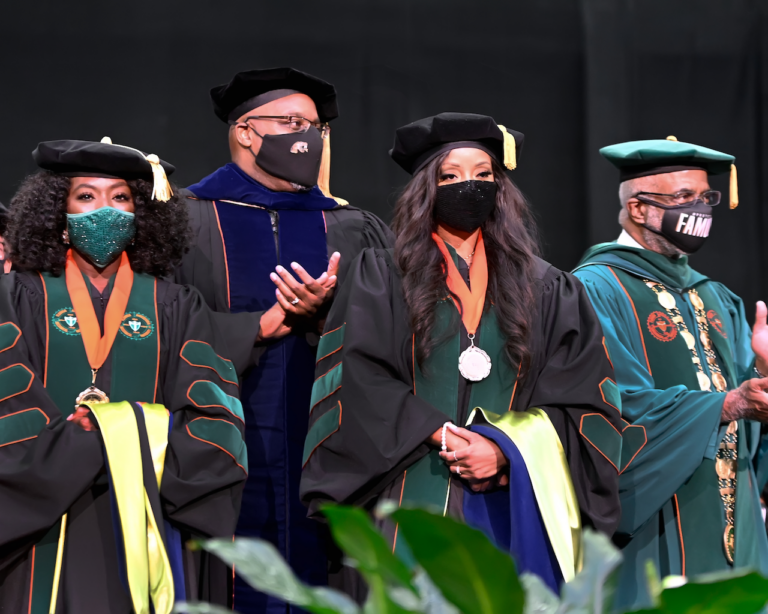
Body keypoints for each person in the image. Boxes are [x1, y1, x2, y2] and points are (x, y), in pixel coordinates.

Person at [300, 113, 623, 598]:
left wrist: (503, 451)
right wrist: (442, 432)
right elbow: (357, 375)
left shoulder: (549, 287)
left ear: (500, 186)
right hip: (407, 486)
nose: (467, 186)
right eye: (449, 176)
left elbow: (584, 400)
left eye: (482, 174)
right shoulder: (381, 275)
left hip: (513, 495)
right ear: (426, 189)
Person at [0, 138, 257, 613]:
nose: (106, 210)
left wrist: (130, 438)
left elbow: (214, 415)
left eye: (121, 198)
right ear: (58, 211)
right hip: (41, 519)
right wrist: (72, 445)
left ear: (143, 215)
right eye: (87, 196)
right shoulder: (15, 297)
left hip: (145, 507)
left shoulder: (175, 305)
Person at [175, 66, 394, 612]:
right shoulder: (184, 219)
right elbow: (159, 327)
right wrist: (256, 327)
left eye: (315, 126)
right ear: (246, 130)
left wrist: (324, 319)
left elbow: (393, 336)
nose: (307, 137)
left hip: (328, 437)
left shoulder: (351, 226)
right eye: (290, 121)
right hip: (218, 435)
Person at [573, 136, 768, 609]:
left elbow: (749, 407)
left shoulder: (716, 296)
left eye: (707, 197)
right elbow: (614, 401)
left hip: (735, 506)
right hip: (657, 509)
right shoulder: (594, 287)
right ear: (638, 209)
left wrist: (762, 370)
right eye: (683, 198)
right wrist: (728, 403)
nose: (700, 208)